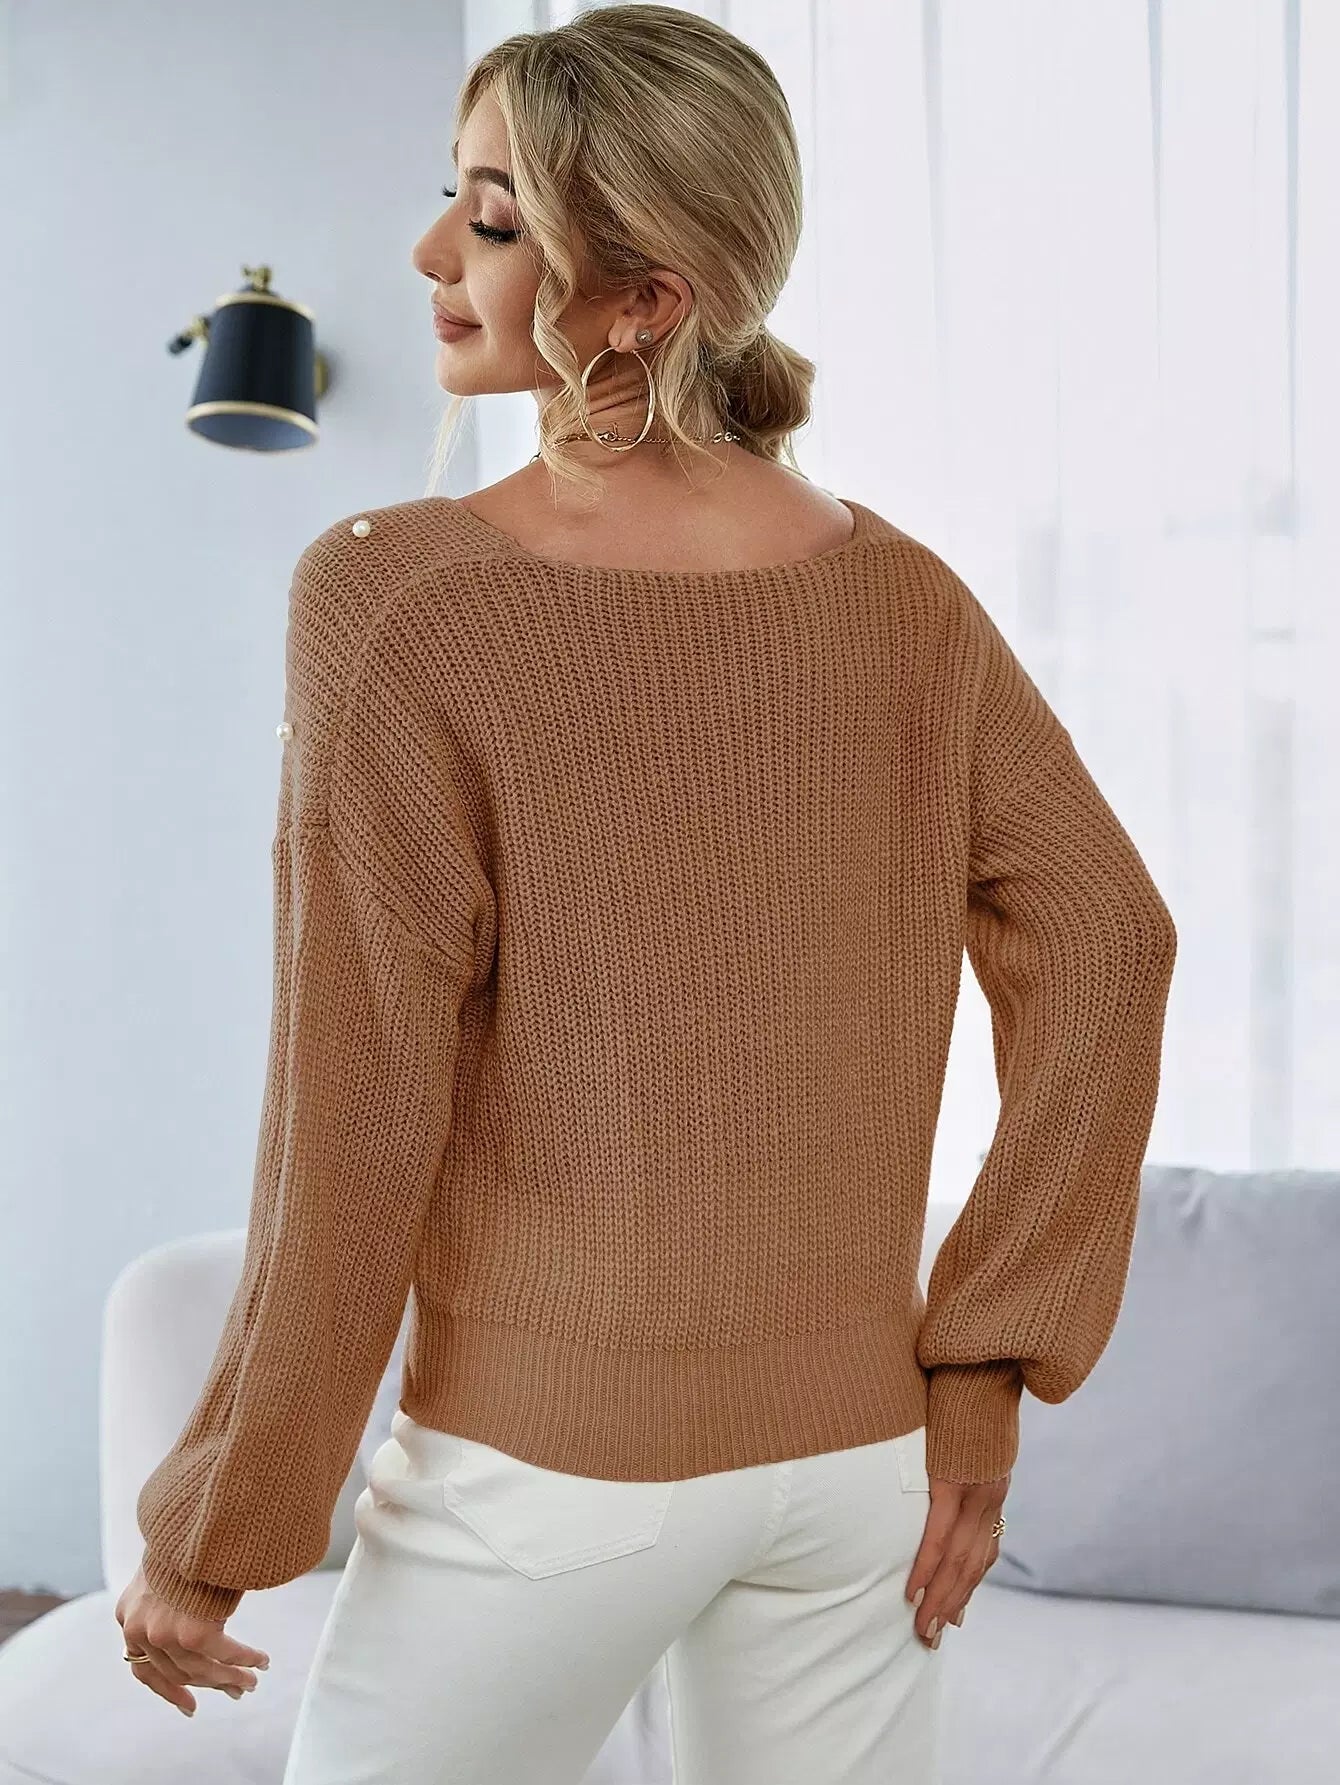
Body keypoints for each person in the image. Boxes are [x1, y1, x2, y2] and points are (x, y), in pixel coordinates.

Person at [116, 7, 1178, 1782]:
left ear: (645, 302)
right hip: (856, 1470)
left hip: (546, 1475)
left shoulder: (400, 599)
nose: (431, 253)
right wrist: (982, 1368)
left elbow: (351, 1115)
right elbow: (1114, 939)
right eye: (452, 196)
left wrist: (221, 1517)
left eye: (494, 218)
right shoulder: (904, 597)